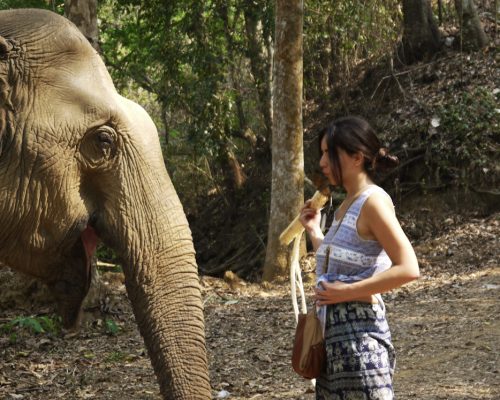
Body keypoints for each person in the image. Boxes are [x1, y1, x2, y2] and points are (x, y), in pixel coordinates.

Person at [299, 116, 419, 400]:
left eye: (330, 153)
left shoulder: (373, 201)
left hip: (361, 344)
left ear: (356, 157)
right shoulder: (345, 205)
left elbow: (409, 267)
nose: (322, 163)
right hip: (332, 345)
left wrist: (348, 292)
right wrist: (315, 231)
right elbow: (338, 266)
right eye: (323, 154)